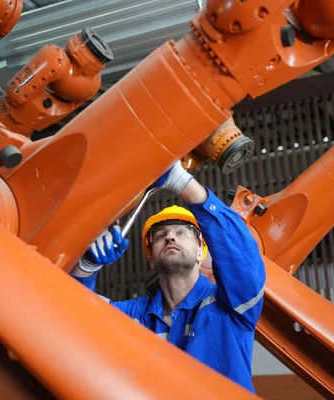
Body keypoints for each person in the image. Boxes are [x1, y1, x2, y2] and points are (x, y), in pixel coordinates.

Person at [71, 161, 266, 393]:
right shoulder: (135, 317)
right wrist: (85, 267)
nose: (170, 237)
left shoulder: (231, 308)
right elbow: (75, 321)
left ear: (199, 254)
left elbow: (244, 262)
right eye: (161, 235)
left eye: (182, 233)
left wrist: (182, 182)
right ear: (152, 260)